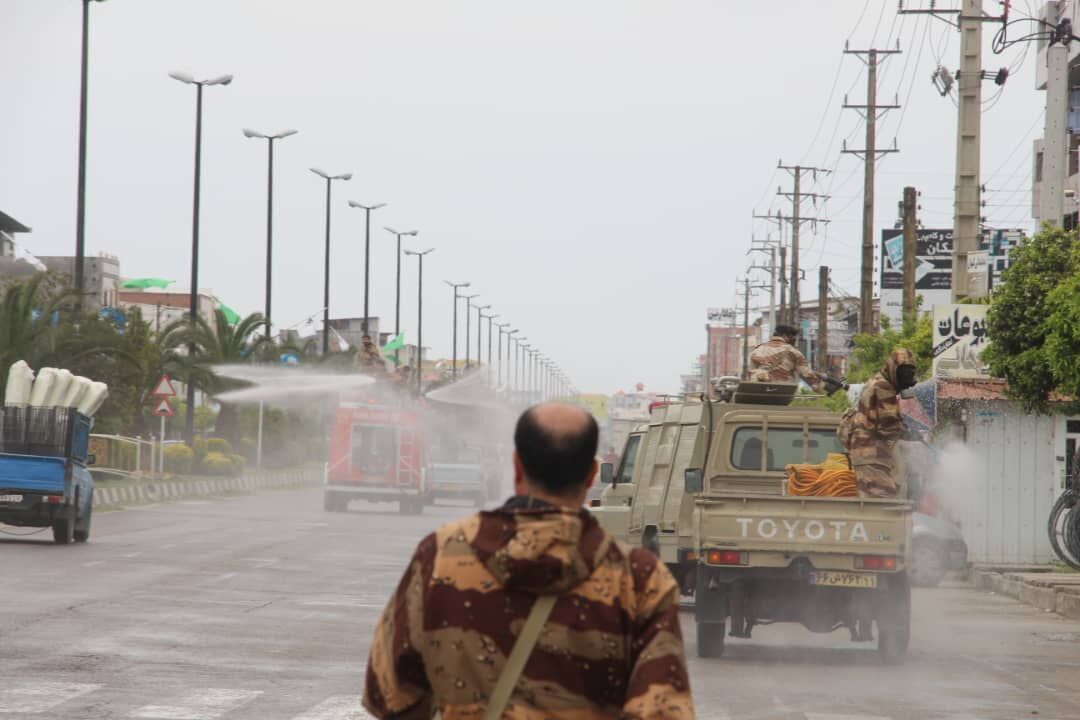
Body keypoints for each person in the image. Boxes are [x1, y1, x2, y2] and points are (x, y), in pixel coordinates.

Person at [364, 403, 694, 719]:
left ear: (517, 466)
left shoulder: (439, 556)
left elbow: (387, 693)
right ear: (593, 473)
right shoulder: (640, 579)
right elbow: (663, 710)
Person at [837, 348, 918, 498]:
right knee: (883, 499)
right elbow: (890, 428)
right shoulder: (884, 386)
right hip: (871, 453)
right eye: (906, 371)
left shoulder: (878, 381)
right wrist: (911, 437)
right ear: (895, 369)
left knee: (873, 500)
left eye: (911, 372)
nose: (909, 377)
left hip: (867, 452)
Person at [749, 324, 825, 391]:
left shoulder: (757, 350)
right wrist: (823, 388)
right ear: (785, 336)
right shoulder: (793, 352)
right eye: (793, 337)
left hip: (757, 392)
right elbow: (808, 376)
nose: (795, 340)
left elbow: (751, 373)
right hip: (782, 394)